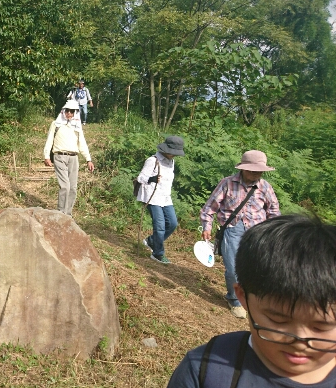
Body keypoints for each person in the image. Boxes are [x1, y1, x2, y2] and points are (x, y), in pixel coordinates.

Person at [167, 214, 336, 387]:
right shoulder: (203, 370)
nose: (300, 341)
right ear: (243, 297)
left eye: (321, 326)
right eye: (279, 320)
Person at [200, 150, 280, 319]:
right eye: (252, 170)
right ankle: (234, 300)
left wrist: (274, 233)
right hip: (232, 230)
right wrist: (206, 227)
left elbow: (273, 211)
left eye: (259, 171)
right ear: (243, 169)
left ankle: (251, 298)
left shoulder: (265, 187)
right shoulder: (227, 183)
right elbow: (209, 208)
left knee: (256, 268)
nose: (256, 173)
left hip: (258, 232)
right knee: (233, 269)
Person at [136, 136, 185, 265]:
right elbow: (140, 178)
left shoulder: (171, 162)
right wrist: (152, 179)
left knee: (173, 223)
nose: (175, 155)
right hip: (152, 197)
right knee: (160, 226)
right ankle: (158, 253)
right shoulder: (152, 160)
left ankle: (152, 241)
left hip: (165, 197)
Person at [43, 100, 95, 216]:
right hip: (59, 156)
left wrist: (88, 159)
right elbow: (49, 140)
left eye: (72, 112)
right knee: (65, 186)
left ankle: (68, 214)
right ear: (63, 111)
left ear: (75, 113)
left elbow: (82, 143)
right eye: (67, 111)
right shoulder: (56, 124)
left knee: (73, 188)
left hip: (73, 158)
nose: (69, 114)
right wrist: (47, 156)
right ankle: (61, 212)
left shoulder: (77, 126)